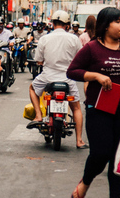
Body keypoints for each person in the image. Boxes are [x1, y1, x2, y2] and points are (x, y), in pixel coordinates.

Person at [67, 7, 120, 198]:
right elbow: (72, 71)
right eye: (117, 21)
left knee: (119, 156)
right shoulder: (92, 48)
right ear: (105, 25)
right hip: (99, 107)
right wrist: (95, 76)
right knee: (100, 153)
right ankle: (86, 182)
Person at [26, 10, 87, 149]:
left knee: (32, 89)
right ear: (67, 25)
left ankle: (38, 116)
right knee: (76, 108)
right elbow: (80, 58)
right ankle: (79, 140)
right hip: (68, 78)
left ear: (52, 24)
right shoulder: (74, 39)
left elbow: (39, 60)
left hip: (48, 76)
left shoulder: (44, 39)